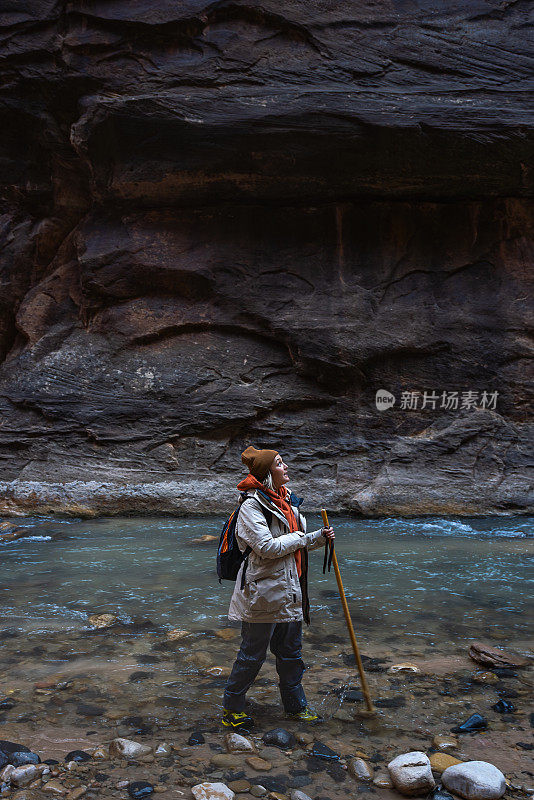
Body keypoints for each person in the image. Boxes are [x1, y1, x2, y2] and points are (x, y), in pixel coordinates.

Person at [222, 445, 335, 729]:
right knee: (251, 656)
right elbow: (266, 547)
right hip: (263, 594)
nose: (286, 468)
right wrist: (303, 537)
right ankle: (232, 709)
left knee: (291, 656)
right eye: (280, 463)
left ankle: (295, 708)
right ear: (267, 472)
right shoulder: (251, 506)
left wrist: (320, 538)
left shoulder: (289, 503)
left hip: (291, 591)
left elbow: (294, 543)